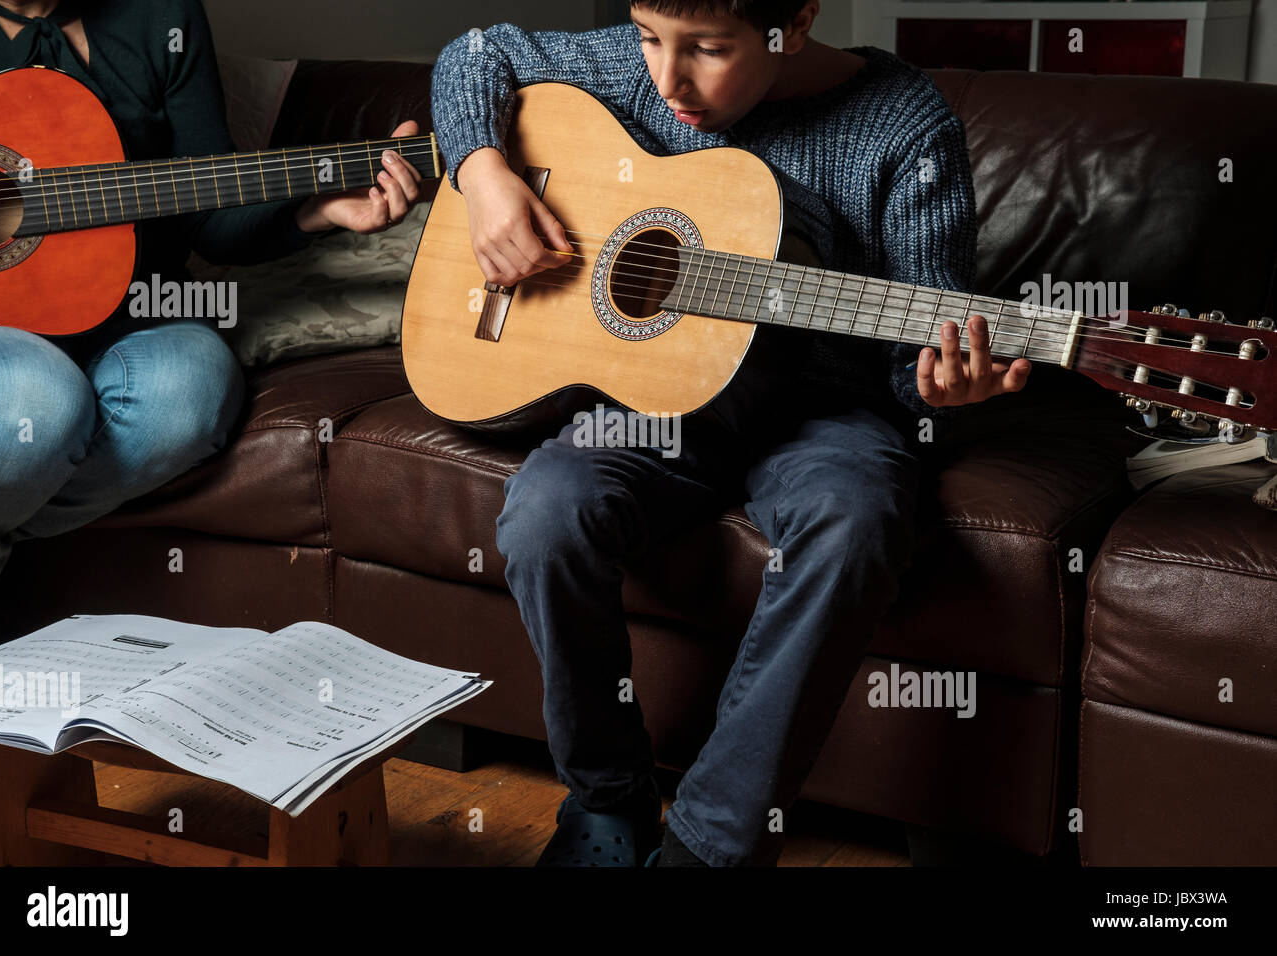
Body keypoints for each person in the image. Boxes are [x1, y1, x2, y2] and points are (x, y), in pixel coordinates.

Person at [431, 0, 1032, 867]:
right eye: (647, 37)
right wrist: (483, 175)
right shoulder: (634, 66)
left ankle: (714, 844)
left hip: (825, 415)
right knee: (545, 508)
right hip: (656, 406)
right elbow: (475, 53)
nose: (667, 77)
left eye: (707, 50)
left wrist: (941, 384)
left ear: (794, 21)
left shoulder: (904, 120)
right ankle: (606, 802)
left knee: (855, 523)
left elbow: (916, 354)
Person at [0, 0, 421, 600]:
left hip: (140, 309)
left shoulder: (164, 16)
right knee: (40, 403)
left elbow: (208, 214)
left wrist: (317, 210)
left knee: (191, 393)